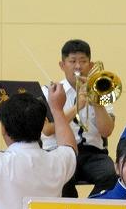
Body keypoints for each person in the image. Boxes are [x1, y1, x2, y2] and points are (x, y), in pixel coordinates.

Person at [41, 39, 117, 197]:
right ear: (62, 65)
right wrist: (77, 107)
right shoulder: (49, 91)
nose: (78, 66)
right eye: (72, 61)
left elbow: (106, 131)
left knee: (111, 174)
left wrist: (96, 101)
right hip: (59, 151)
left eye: (83, 61)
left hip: (93, 154)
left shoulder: (102, 90)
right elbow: (47, 130)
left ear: (91, 65)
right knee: (61, 179)